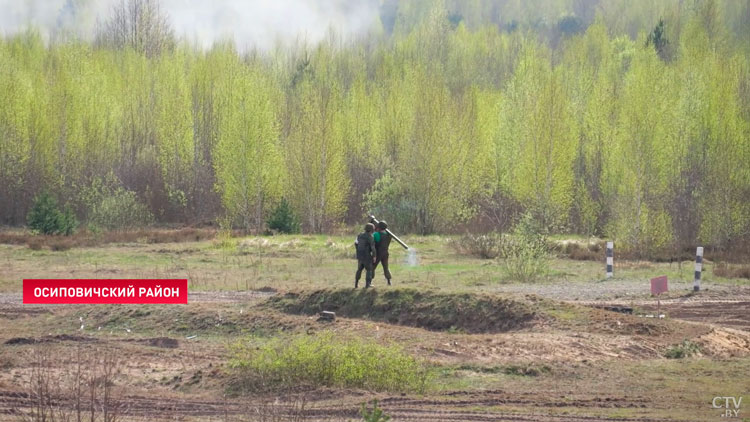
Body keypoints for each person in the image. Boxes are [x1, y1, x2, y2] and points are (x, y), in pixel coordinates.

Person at [354, 223, 377, 288]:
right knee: (369, 269)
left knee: (359, 269)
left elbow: (356, 243)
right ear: (371, 229)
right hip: (367, 255)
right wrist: (374, 256)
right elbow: (373, 247)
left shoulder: (359, 235)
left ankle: (356, 283)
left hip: (360, 255)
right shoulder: (370, 237)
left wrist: (358, 251)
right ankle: (368, 284)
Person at [373, 220, 392, 285]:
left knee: (372, 267)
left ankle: (369, 281)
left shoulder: (376, 234)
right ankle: (389, 281)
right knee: (386, 267)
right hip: (385, 253)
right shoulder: (389, 235)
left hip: (378, 253)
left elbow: (373, 242)